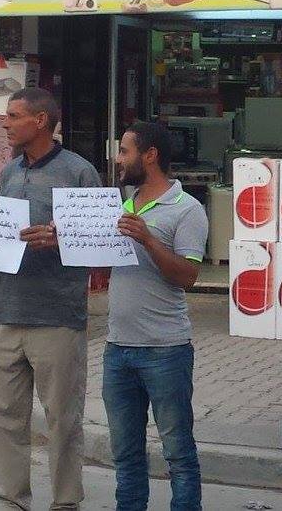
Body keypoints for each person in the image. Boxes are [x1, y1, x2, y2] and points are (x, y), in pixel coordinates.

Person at [0, 87, 100, 511]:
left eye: (13, 116)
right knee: (5, 415)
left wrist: (60, 238)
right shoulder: (10, 172)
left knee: (62, 420)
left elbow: (101, 242)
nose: (5, 123)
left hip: (57, 317)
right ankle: (10, 499)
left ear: (40, 121)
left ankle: (66, 502)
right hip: (5, 312)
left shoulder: (80, 172)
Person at [105, 121, 209, 511]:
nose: (118, 159)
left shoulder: (187, 209)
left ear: (150, 156)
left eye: (125, 151)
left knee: (177, 451)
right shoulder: (121, 204)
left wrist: (148, 239)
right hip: (117, 348)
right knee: (125, 453)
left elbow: (188, 276)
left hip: (165, 350)